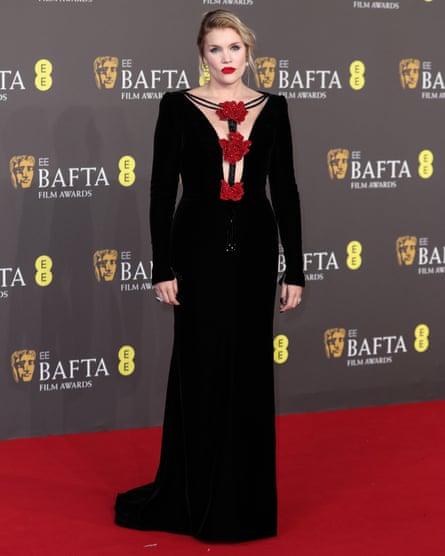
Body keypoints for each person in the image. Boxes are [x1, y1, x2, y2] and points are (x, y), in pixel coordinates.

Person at [115, 9, 305, 543]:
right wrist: (160, 265)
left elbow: (285, 190)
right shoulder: (176, 107)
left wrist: (296, 267)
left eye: (234, 48)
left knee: (248, 372)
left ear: (249, 52)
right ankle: (193, 497)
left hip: (255, 251)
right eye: (215, 49)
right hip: (195, 251)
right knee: (199, 368)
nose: (226, 59)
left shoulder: (276, 107)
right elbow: (159, 192)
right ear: (202, 54)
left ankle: (244, 503)